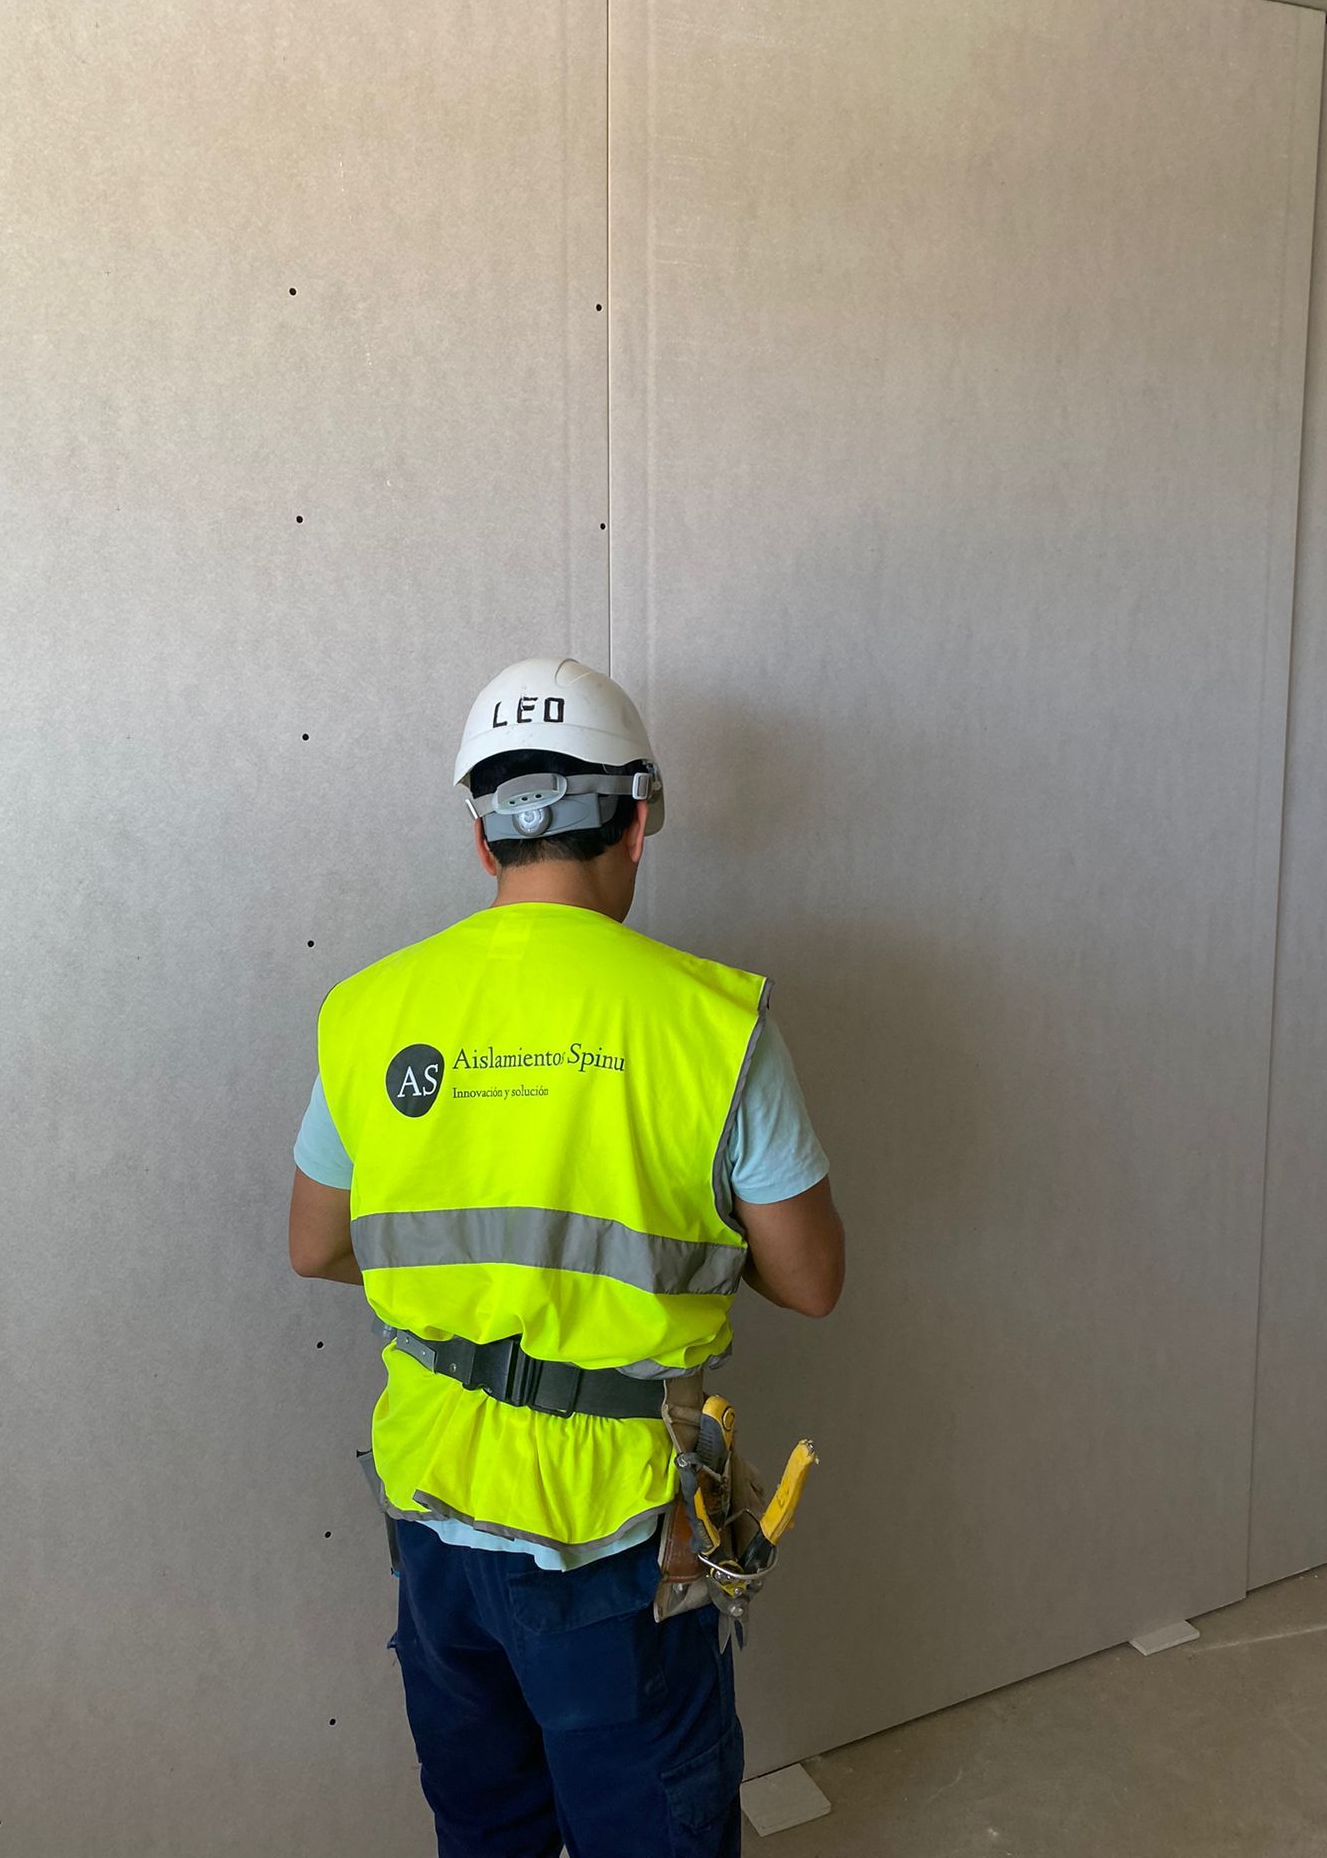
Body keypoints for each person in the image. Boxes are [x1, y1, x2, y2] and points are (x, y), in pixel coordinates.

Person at [288, 657, 844, 1858]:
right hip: (617, 1529)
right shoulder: (712, 1023)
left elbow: (316, 1241)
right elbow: (811, 1279)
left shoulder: (368, 1009)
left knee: (487, 1826)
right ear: (637, 821)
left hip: (433, 1505)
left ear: (482, 837)